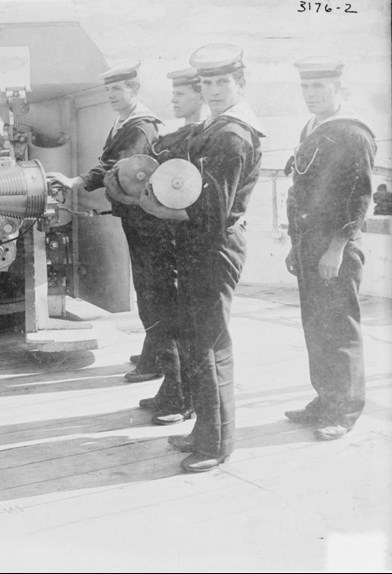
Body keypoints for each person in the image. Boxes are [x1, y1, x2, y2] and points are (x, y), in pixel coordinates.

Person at [139, 44, 264, 472]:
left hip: (212, 248)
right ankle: (204, 432)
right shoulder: (214, 127)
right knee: (197, 343)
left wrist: (158, 209)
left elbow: (210, 214)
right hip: (200, 248)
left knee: (210, 347)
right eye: (207, 82)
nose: (212, 90)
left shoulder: (231, 135)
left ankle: (216, 445)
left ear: (240, 84)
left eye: (221, 82)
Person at [47, 62, 172, 386]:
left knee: (151, 291)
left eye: (117, 89)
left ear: (134, 89)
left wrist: (78, 180)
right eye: (108, 90)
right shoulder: (124, 122)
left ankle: (156, 359)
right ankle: (154, 348)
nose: (111, 96)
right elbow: (109, 163)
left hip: (148, 221)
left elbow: (119, 168)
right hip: (137, 218)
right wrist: (78, 181)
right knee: (146, 289)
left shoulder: (141, 126)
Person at [283, 57, 377, 440]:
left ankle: (345, 410)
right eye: (306, 88)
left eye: (319, 88)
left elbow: (360, 198)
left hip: (335, 247)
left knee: (340, 329)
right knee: (315, 325)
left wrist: (337, 247)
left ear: (339, 89)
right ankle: (325, 399)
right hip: (309, 243)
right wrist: (295, 244)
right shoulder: (313, 127)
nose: (310, 95)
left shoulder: (354, 134)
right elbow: (301, 190)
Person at [134, 67, 207, 425]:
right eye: (173, 92)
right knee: (159, 317)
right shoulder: (173, 137)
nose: (173, 98)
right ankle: (170, 388)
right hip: (158, 239)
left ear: (201, 95)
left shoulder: (201, 139)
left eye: (181, 93)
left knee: (175, 320)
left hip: (178, 243)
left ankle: (182, 398)